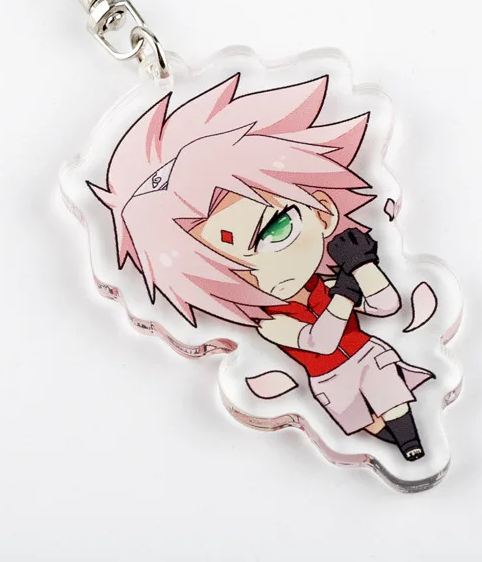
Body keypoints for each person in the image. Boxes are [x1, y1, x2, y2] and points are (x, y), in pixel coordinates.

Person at [89, 73, 433, 460]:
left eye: (276, 228)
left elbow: (386, 306)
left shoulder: (328, 284)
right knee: (367, 420)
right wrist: (346, 290)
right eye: (231, 271)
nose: (264, 268)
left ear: (323, 213)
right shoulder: (272, 321)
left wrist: (364, 268)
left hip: (370, 356)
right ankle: (401, 448)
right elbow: (320, 342)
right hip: (331, 380)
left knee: (393, 401)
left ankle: (412, 446)